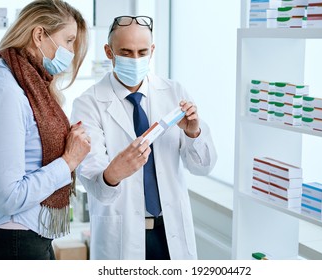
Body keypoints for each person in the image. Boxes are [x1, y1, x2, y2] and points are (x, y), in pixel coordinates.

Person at [71, 15, 217, 260]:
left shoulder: (173, 92)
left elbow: (203, 167)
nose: (135, 60)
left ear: (152, 50)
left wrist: (193, 133)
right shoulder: (89, 104)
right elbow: (97, 188)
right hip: (122, 238)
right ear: (109, 52)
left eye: (141, 52)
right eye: (125, 52)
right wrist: (114, 173)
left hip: (171, 233)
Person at [0, 0, 91, 260]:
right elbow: (9, 197)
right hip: (8, 241)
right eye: (69, 40)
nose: (72, 52)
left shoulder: (30, 86)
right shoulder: (6, 91)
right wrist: (68, 161)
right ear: (40, 35)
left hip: (26, 236)